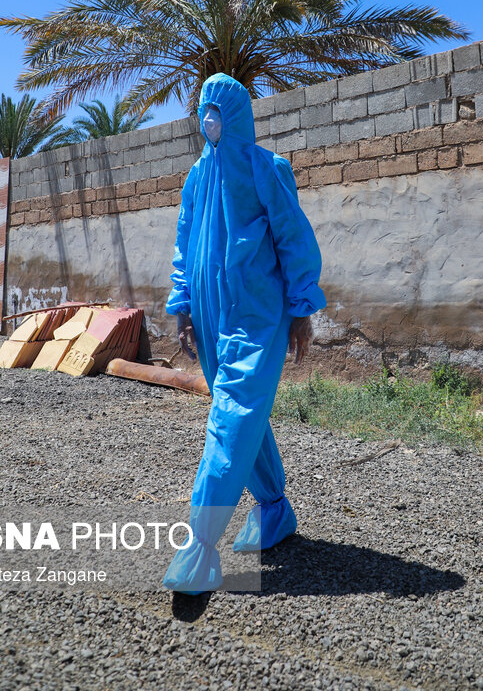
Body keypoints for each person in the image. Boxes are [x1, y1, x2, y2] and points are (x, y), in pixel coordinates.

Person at [163, 72, 326, 593]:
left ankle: (200, 543)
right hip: (212, 317)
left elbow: (294, 237)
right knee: (240, 413)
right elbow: (185, 245)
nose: (207, 118)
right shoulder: (197, 176)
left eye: (216, 109)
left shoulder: (266, 169)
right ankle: (275, 509)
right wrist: (184, 304)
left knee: (231, 414)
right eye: (202, 109)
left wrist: (301, 309)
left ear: (234, 115)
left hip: (258, 316)